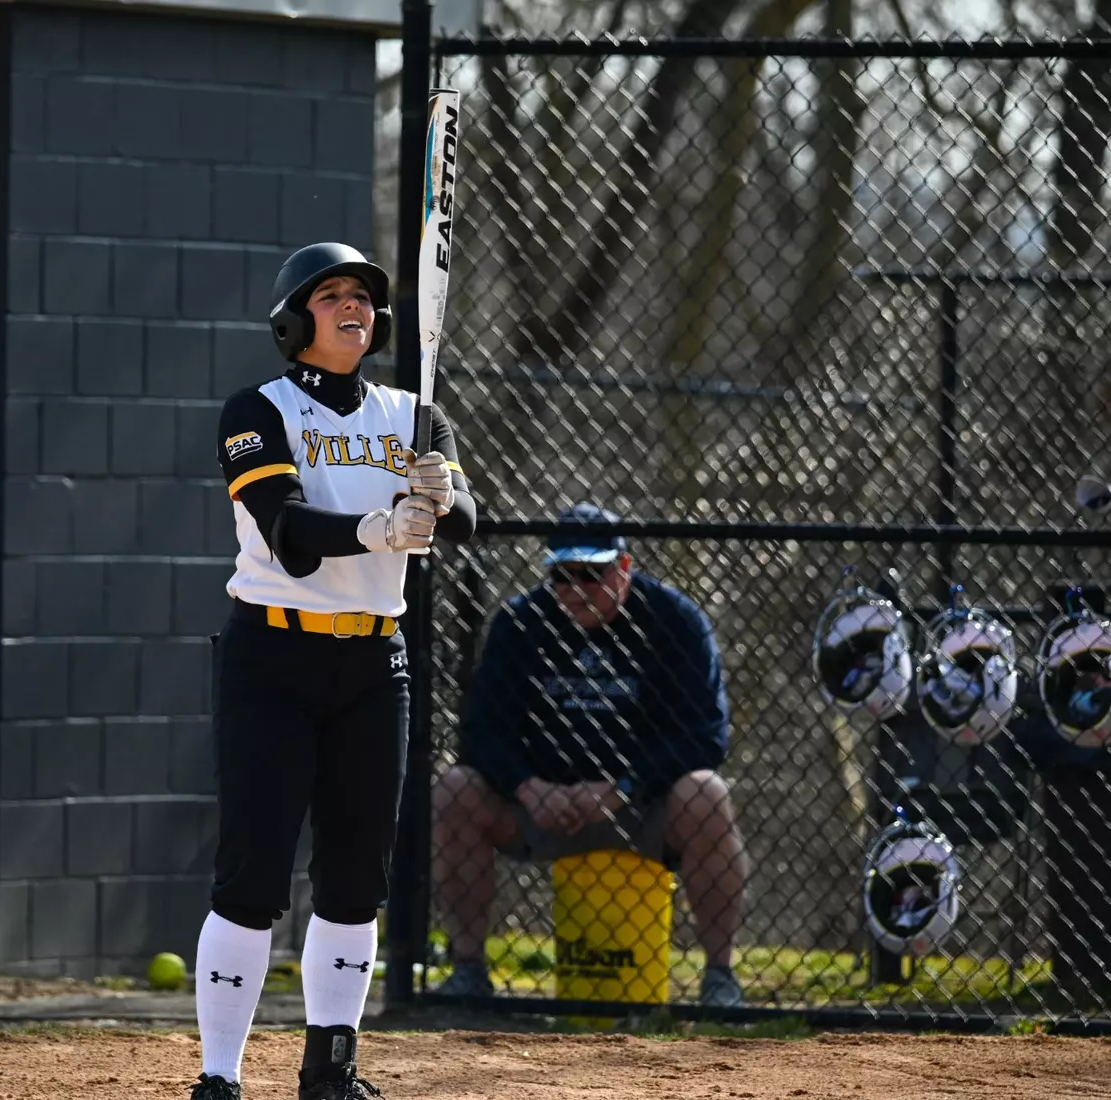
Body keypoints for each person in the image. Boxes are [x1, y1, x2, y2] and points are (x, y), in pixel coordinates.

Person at [191, 243, 476, 1100]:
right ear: (293, 321)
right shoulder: (257, 409)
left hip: (373, 662)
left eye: (361, 295)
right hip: (272, 657)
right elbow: (286, 529)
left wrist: (440, 494)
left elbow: (465, 518)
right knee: (253, 875)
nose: (352, 305)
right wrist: (379, 530)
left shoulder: (414, 415)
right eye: (330, 295)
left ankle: (331, 1070)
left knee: (356, 878)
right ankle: (219, 1078)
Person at [430, 503, 750, 1007]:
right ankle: (468, 970)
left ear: (623, 568)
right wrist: (529, 789)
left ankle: (720, 978)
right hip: (542, 806)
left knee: (706, 794)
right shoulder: (521, 622)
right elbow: (481, 732)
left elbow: (705, 735)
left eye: (590, 574)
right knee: (456, 790)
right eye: (561, 575)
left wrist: (625, 788)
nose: (574, 589)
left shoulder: (674, 620)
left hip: (642, 806)